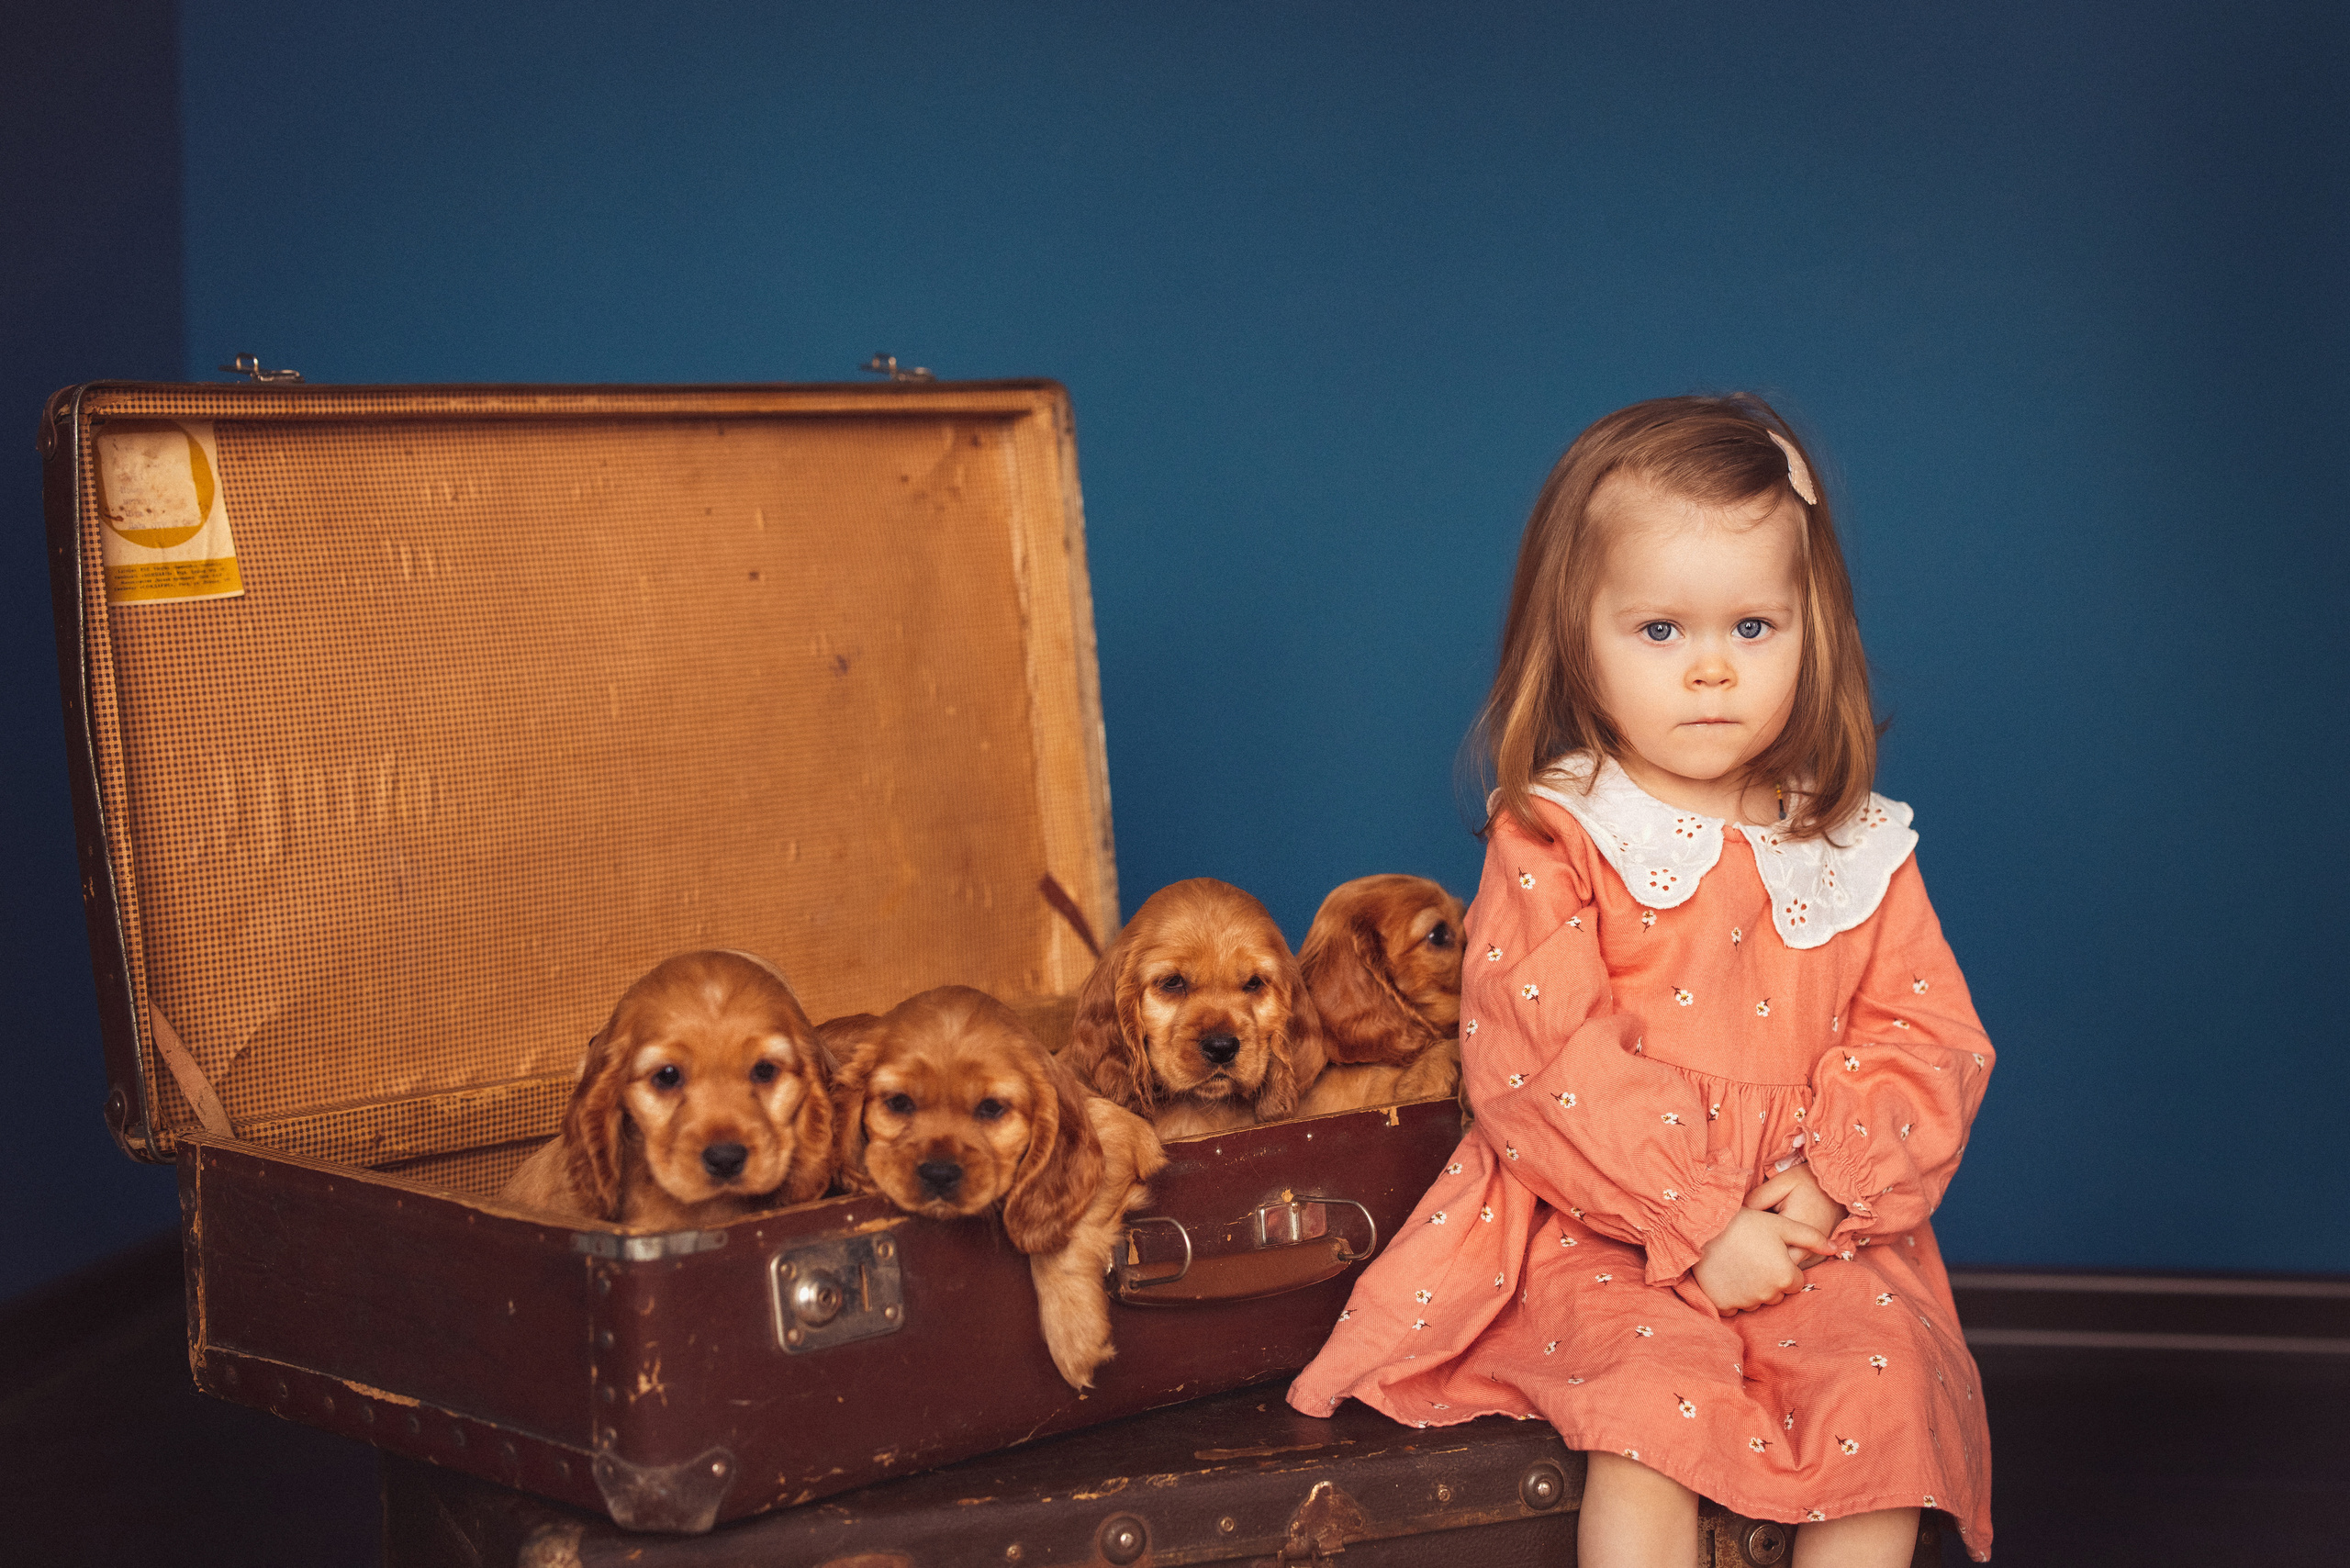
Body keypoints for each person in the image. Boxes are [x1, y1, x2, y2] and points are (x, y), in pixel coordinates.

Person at [1288, 395, 1994, 1565]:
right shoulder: (1560, 830)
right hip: (1605, 1218)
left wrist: (1825, 1185)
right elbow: (1537, 1055)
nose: (1712, 671)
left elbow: (1928, 1033)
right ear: (1578, 636)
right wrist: (1697, 1213)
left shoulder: (1850, 840)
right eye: (1660, 632)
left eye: (1755, 628)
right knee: (1653, 1409)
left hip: (1811, 1220)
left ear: (1813, 627)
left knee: (1889, 1397)